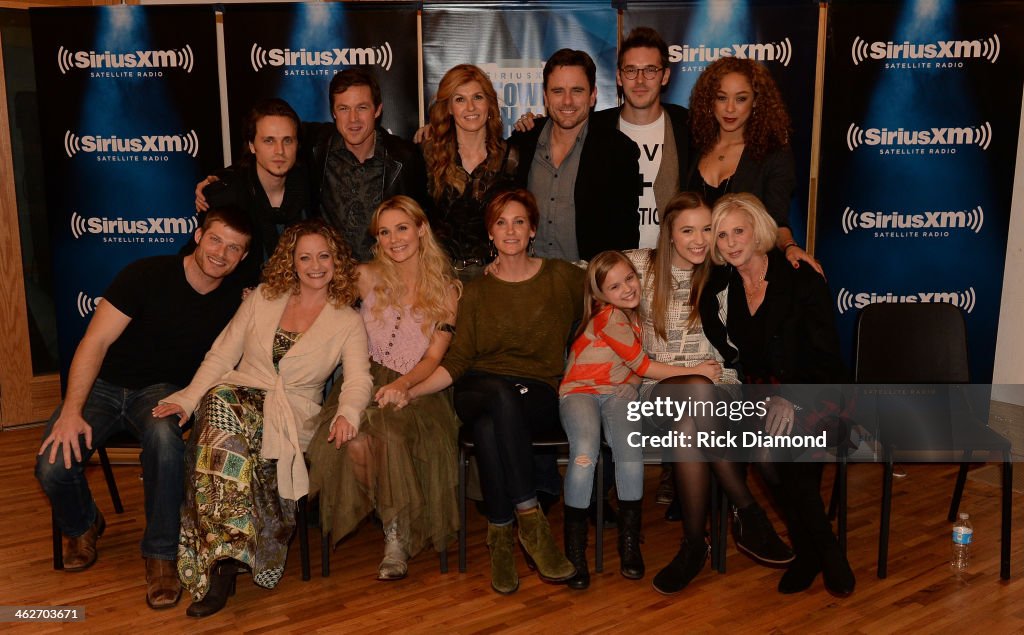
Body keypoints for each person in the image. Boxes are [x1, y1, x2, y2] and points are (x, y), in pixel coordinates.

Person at [35, 207, 253, 610]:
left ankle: (160, 558)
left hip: (162, 392)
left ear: (243, 257)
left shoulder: (241, 300)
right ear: (198, 234)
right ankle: (83, 524)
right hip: (103, 386)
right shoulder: (145, 275)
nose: (221, 253)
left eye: (234, 248)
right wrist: (71, 411)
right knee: (52, 465)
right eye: (216, 239)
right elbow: (94, 343)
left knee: (166, 445)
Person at [153, 219, 373, 616]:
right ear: (291, 261)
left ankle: (223, 562)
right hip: (238, 394)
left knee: (218, 430)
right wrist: (187, 399)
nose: (315, 265)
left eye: (324, 256)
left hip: (291, 415)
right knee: (220, 405)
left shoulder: (347, 320)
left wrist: (348, 413)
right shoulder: (263, 298)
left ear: (337, 261)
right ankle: (224, 562)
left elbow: (358, 379)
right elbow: (222, 355)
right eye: (304, 257)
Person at [403, 188, 582, 594]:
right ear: (490, 234)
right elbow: (458, 361)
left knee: (490, 426)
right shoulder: (477, 291)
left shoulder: (561, 277)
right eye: (501, 222)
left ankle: (500, 535)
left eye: (519, 221)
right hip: (478, 386)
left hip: (536, 391)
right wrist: (413, 390)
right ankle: (530, 522)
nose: (510, 230)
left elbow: (612, 284)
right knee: (496, 398)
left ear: (533, 229)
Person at [625, 192, 792, 595]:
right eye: (687, 230)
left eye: (707, 230)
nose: (700, 240)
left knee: (690, 427)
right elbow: (582, 273)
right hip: (657, 390)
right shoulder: (638, 265)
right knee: (695, 392)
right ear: (668, 233)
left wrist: (792, 247)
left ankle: (693, 547)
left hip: (723, 392)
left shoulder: (723, 274)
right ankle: (747, 510)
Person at [705, 192, 853, 596]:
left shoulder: (801, 278)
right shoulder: (724, 282)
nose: (731, 243)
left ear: (759, 232)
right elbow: (715, 327)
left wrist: (790, 396)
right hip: (759, 392)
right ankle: (815, 550)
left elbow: (826, 355)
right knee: (768, 454)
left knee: (781, 451)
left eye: (739, 231)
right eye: (721, 236)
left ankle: (821, 550)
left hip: (816, 386)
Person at [307, 196, 461, 581]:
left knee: (389, 434)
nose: (394, 239)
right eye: (385, 232)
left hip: (418, 386)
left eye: (402, 228)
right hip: (362, 379)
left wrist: (404, 387)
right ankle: (396, 517)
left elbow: (434, 357)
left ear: (421, 229)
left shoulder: (447, 290)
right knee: (355, 441)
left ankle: (395, 537)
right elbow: (314, 282)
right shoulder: (366, 276)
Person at [559, 250, 722, 590]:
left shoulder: (635, 317)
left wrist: (630, 387)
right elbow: (644, 367)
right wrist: (695, 370)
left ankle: (629, 542)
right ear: (601, 295)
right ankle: (574, 552)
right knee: (585, 452)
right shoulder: (610, 317)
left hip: (618, 393)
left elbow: (631, 374)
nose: (627, 289)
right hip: (580, 392)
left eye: (630, 279)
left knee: (630, 456)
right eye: (615, 286)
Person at [517, 28, 689, 249]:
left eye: (650, 70)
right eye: (630, 70)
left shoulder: (687, 128)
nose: (639, 80)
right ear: (618, 76)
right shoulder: (534, 138)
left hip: (667, 259)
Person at [687, 57, 819, 273]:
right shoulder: (693, 145)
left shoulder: (773, 154)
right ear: (710, 101)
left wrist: (789, 246)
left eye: (741, 99)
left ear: (756, 101)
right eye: (721, 98)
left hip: (745, 274)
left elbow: (776, 221)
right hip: (695, 273)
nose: (730, 108)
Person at [509, 49, 641, 260]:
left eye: (577, 91)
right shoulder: (522, 141)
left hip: (587, 284)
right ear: (545, 96)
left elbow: (625, 235)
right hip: (527, 282)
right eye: (558, 91)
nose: (567, 101)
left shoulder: (618, 151)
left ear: (593, 96)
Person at [307, 69, 429, 262]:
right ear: (333, 112)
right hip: (331, 279)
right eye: (344, 109)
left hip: (386, 278)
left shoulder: (404, 158)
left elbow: (424, 223)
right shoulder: (315, 148)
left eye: (362, 107)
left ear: (378, 109)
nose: (353, 119)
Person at [192, 98, 310, 286]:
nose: (280, 151)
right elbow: (200, 260)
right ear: (253, 146)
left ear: (297, 144)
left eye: (287, 141)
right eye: (269, 141)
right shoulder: (224, 196)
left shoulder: (311, 185)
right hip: (238, 303)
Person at [422, 64, 519, 279]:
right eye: (460, 99)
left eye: (477, 97)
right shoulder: (427, 156)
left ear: (489, 104)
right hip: (439, 278)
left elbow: (523, 220)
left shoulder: (511, 156)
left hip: (494, 275)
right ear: (448, 107)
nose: (470, 107)